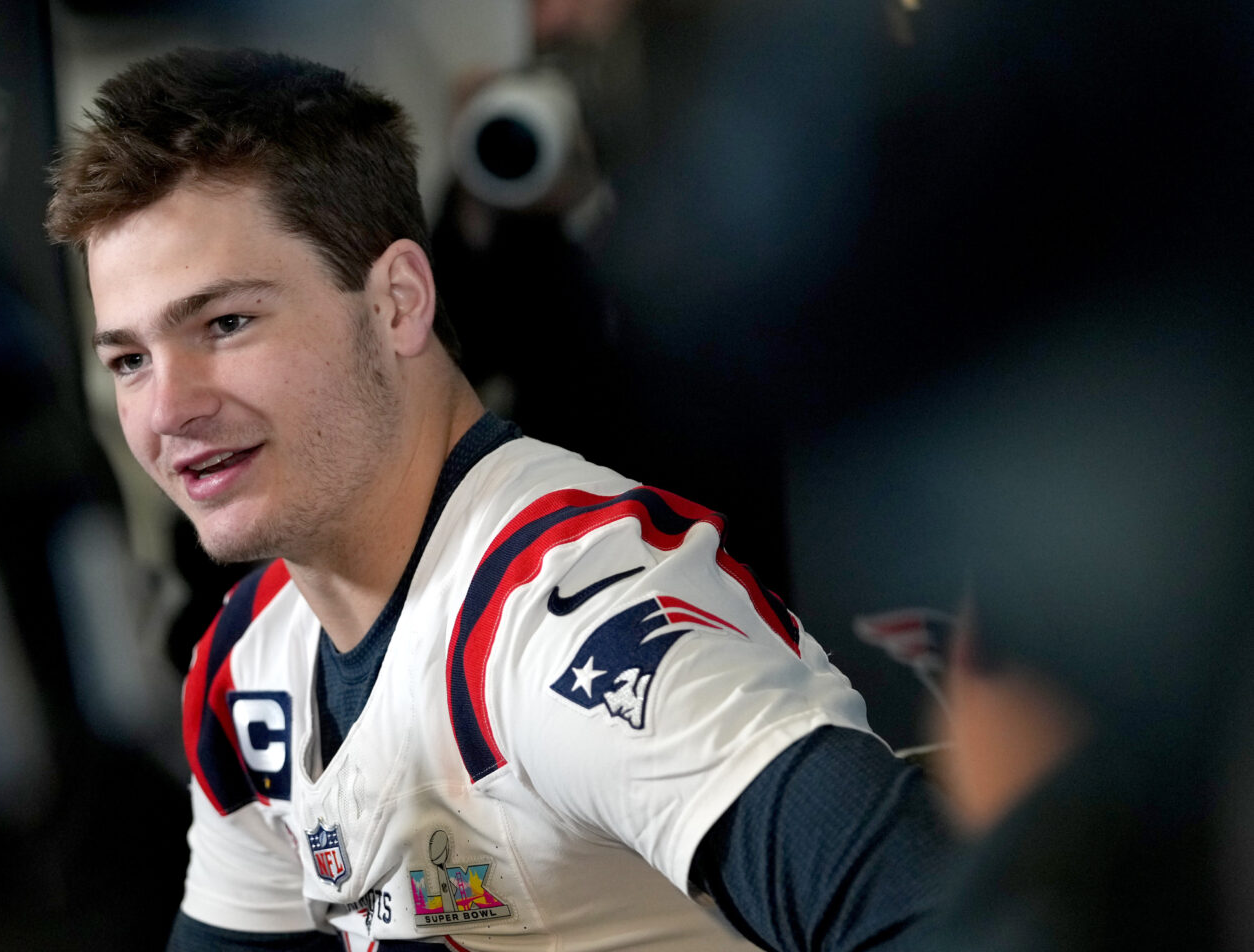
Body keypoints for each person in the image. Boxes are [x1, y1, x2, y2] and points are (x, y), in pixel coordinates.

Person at [46, 48, 949, 952]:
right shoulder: (254, 660)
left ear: (398, 302)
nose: (168, 408)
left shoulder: (568, 623)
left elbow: (944, 915)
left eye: (226, 324)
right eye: (129, 359)